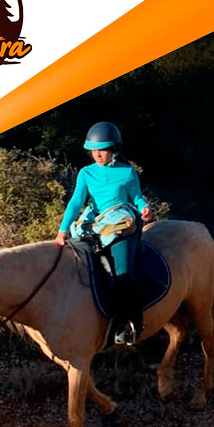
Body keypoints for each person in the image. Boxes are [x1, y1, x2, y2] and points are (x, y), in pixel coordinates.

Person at [55, 122, 153, 344]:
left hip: (122, 225)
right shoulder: (86, 173)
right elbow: (75, 203)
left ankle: (131, 324)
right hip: (96, 226)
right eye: (94, 150)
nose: (98, 155)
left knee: (123, 273)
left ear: (114, 149)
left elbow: (136, 197)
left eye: (103, 150)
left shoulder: (127, 172)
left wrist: (144, 207)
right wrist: (62, 231)